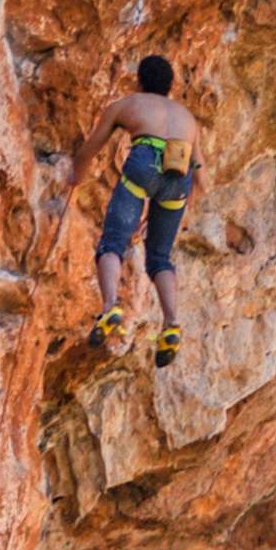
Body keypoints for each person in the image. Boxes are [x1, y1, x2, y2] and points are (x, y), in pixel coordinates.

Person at [80, 53, 202, 365]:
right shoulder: (187, 118)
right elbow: (200, 173)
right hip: (178, 179)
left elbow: (93, 145)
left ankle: (110, 307)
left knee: (112, 244)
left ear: (139, 81)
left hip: (143, 166)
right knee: (159, 258)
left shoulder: (128, 104)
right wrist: (180, 209)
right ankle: (171, 324)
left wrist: (75, 173)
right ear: (171, 85)